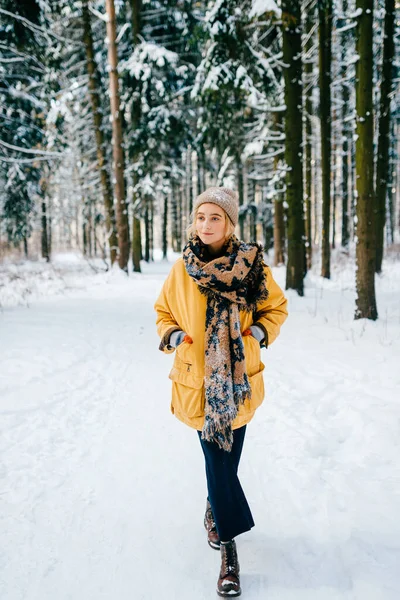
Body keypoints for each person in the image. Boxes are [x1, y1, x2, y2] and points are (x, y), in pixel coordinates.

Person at [154, 187, 288, 597]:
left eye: (215, 217)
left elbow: (276, 308)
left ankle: (215, 506)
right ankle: (229, 552)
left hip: (239, 380)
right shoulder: (183, 269)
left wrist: (260, 332)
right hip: (199, 383)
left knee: (226, 467)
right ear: (194, 222)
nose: (207, 224)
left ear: (229, 223)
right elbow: (163, 312)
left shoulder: (251, 266)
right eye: (201, 217)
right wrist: (174, 334)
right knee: (218, 461)